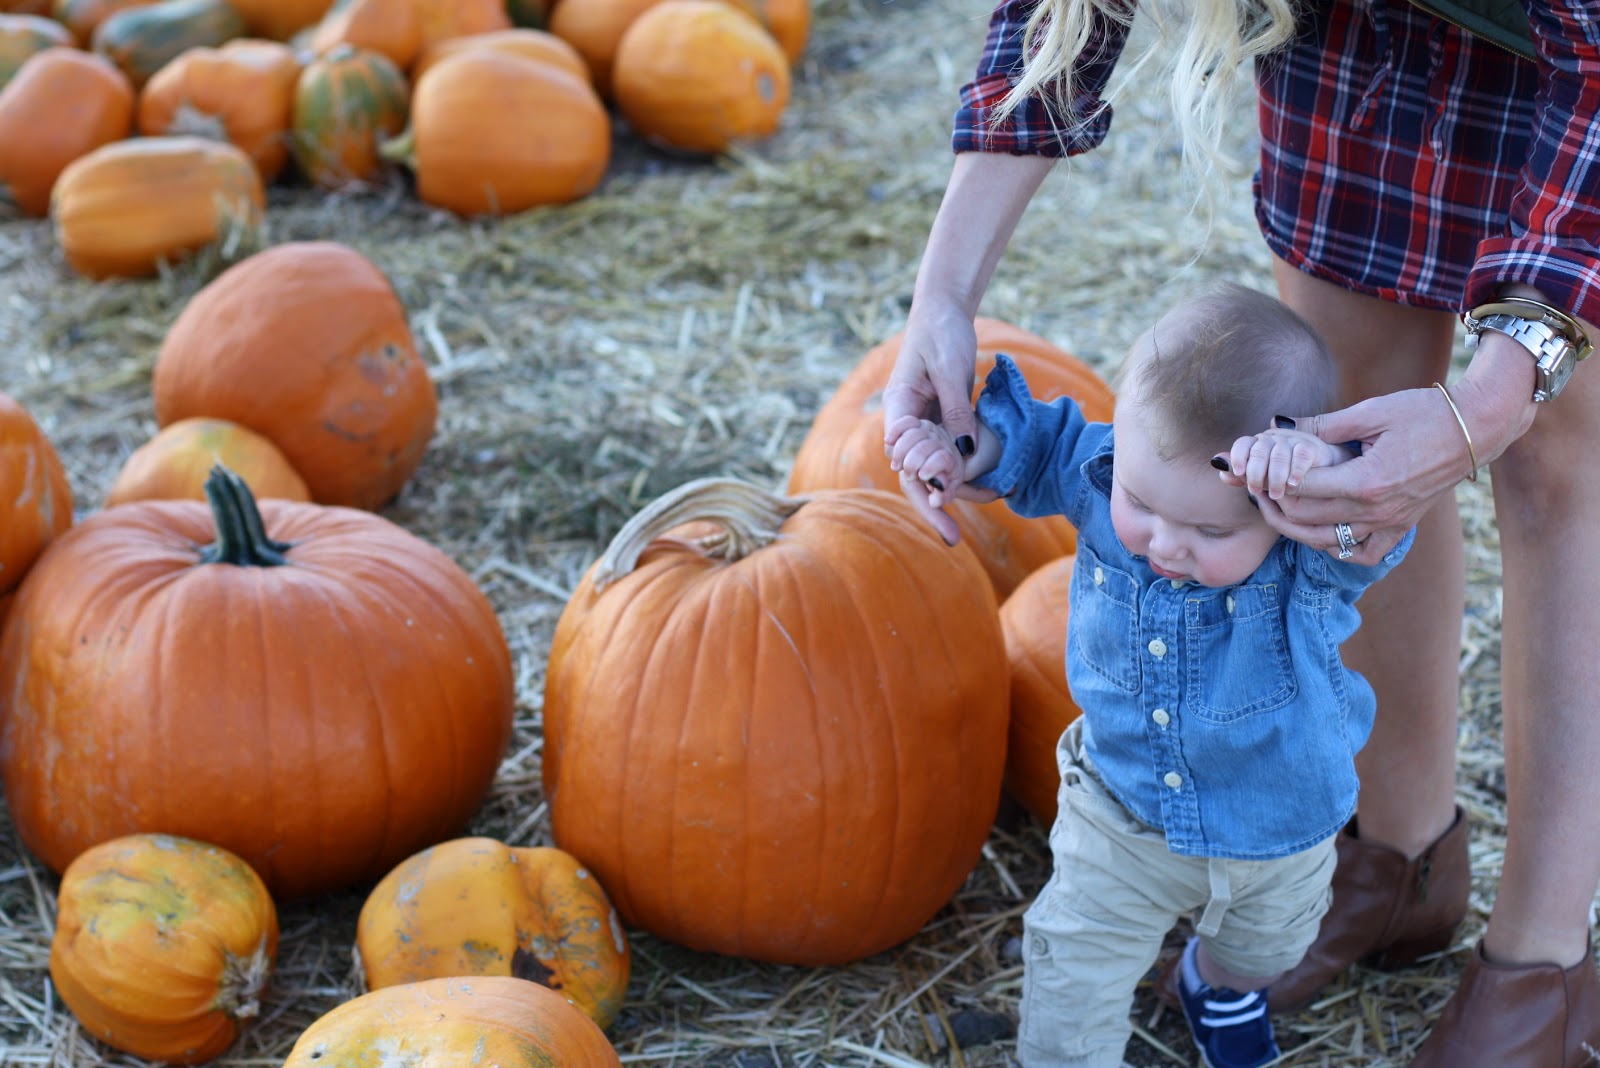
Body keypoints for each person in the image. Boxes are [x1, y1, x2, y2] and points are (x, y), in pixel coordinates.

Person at [882, 0, 1600, 1064]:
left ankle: (1540, 965)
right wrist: (943, 304)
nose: (1161, 539)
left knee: (1553, 455)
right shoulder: (1114, 484)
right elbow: (1062, 20)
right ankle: (1399, 857)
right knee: (1354, 397)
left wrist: (1484, 407)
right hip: (1361, 32)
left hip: (1579, 63)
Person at [889, 280, 1413, 1068]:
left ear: (1286, 505)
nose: (1164, 543)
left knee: (1269, 951)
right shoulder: (1107, 472)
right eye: (1141, 502)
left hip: (1277, 824)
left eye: (1208, 530)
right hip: (1121, 809)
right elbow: (1039, 447)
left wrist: (1327, 467)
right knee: (1073, 969)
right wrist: (964, 452)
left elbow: (1376, 525)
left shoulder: (1307, 553)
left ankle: (1219, 987)